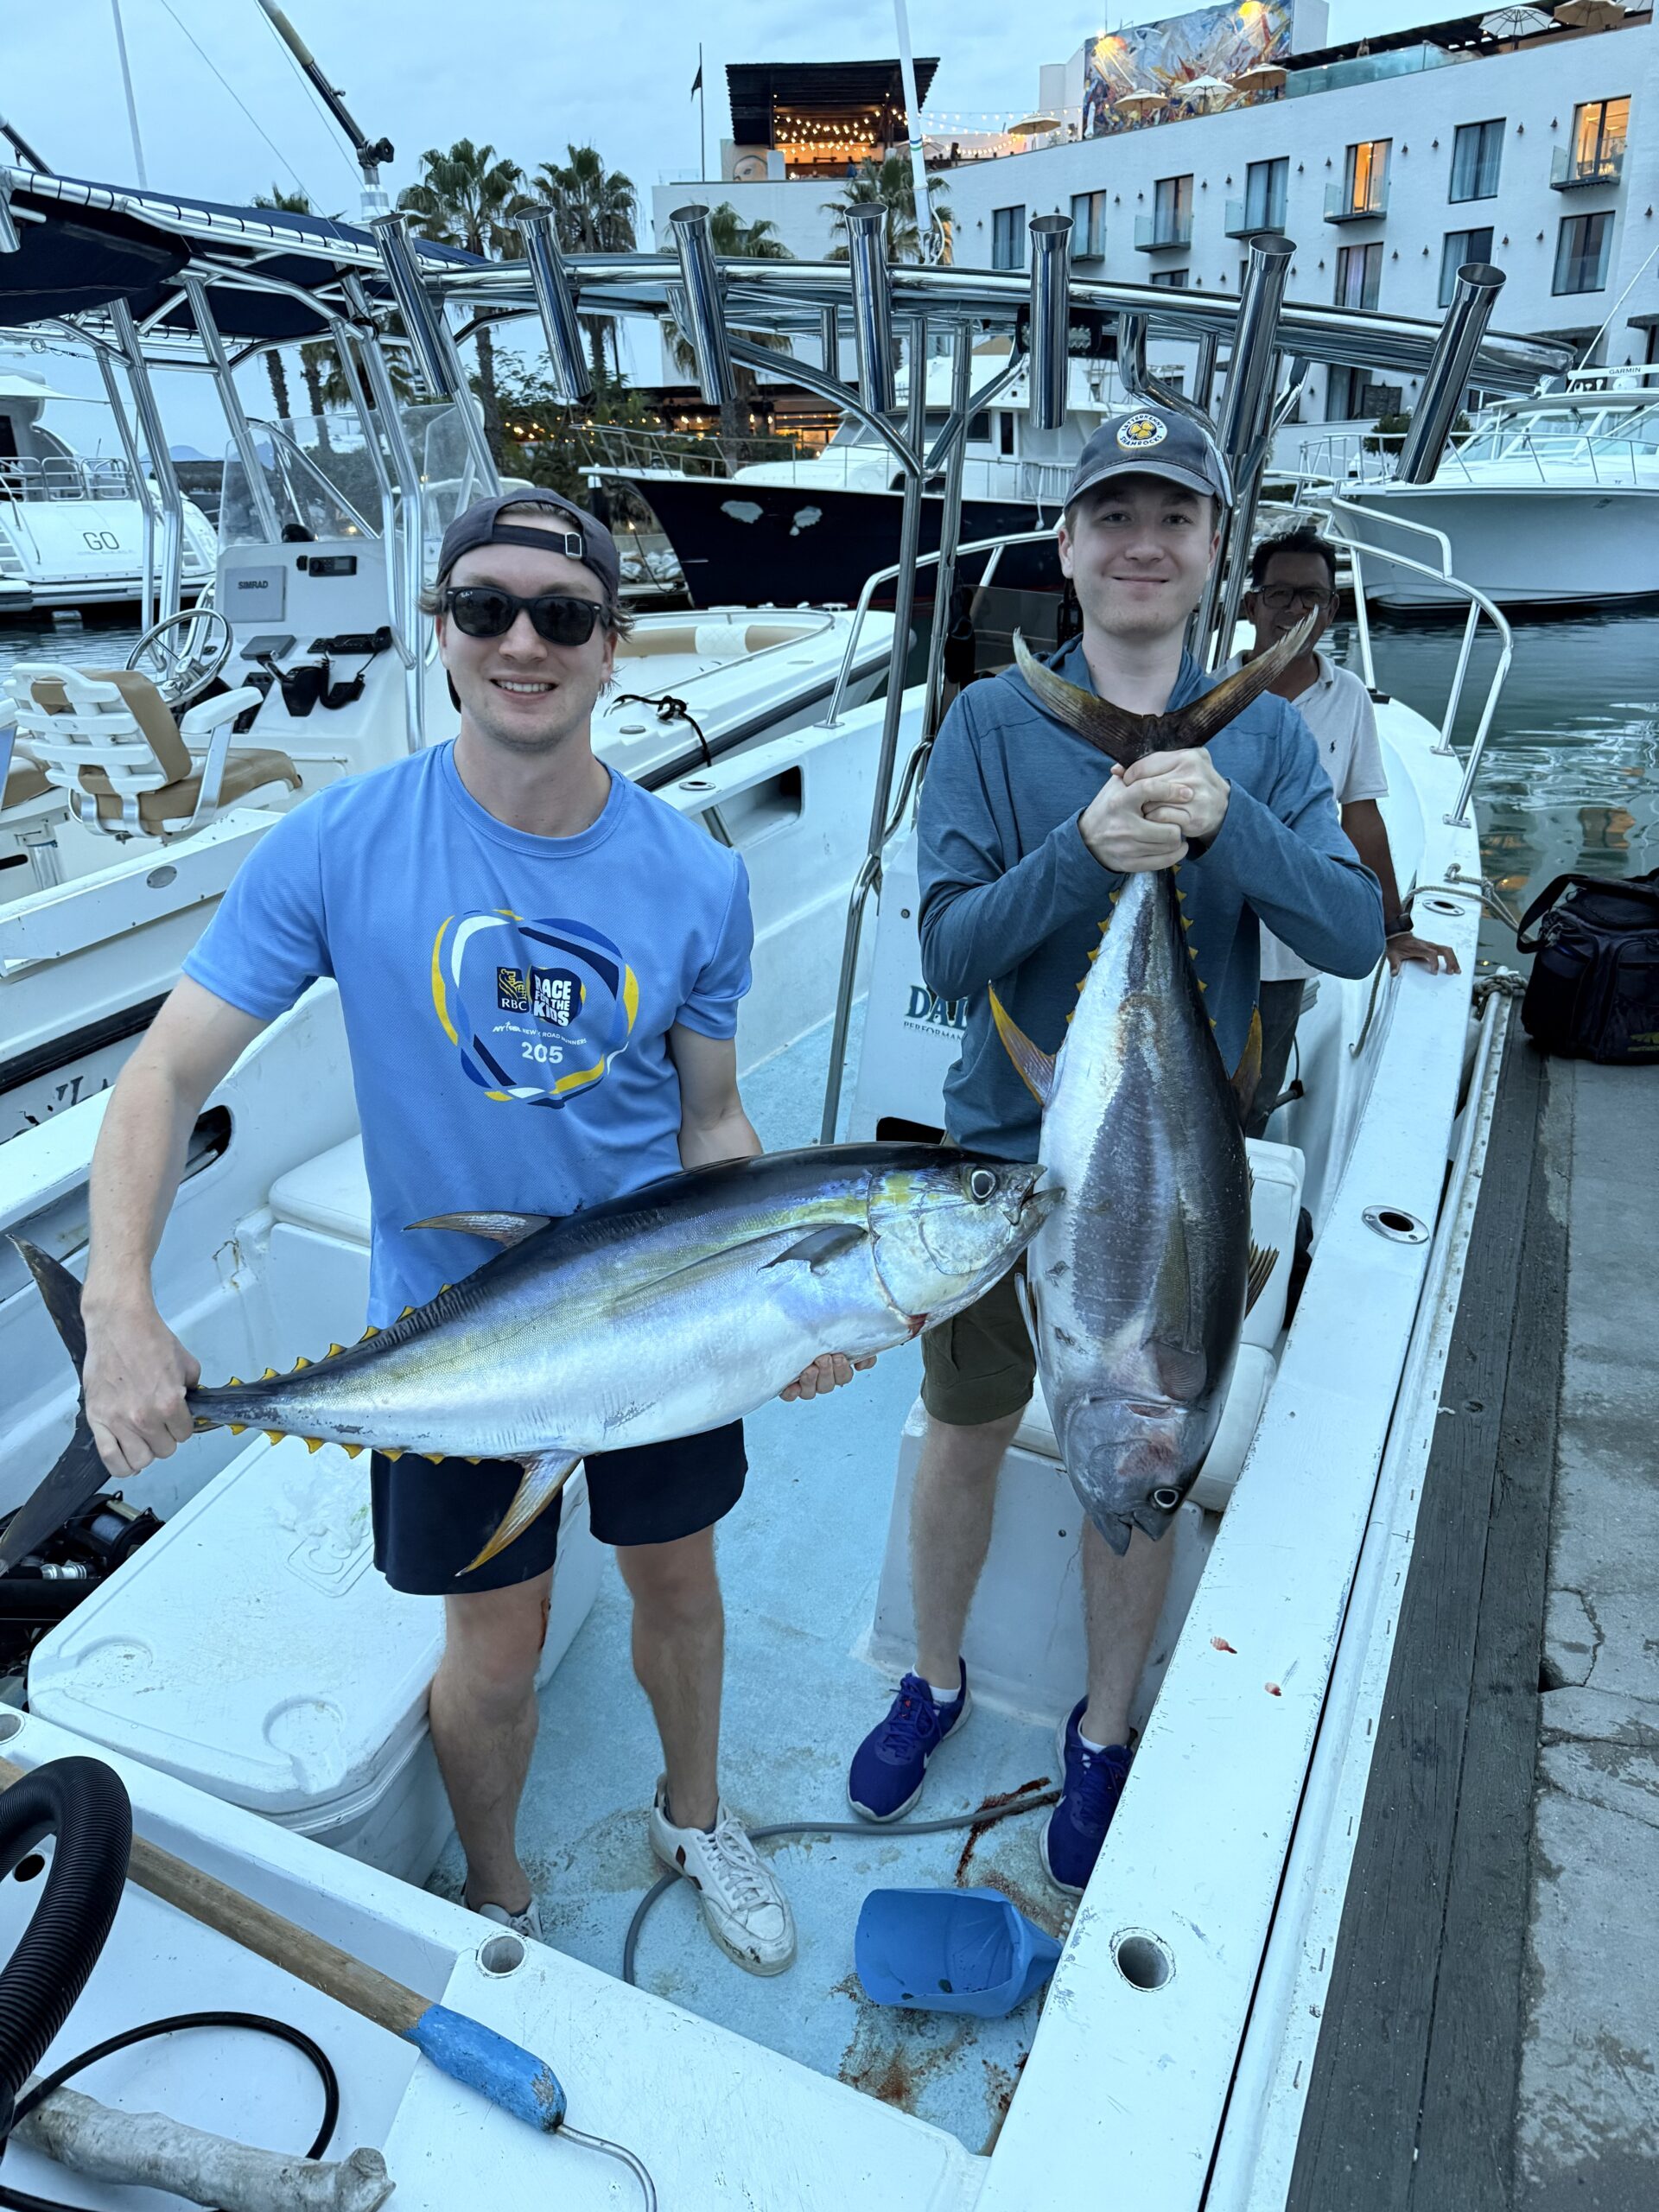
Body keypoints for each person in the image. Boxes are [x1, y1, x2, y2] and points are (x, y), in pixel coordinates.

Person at [78, 490, 869, 1974]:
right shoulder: (341, 844)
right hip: (457, 1333)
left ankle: (694, 1815)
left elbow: (711, 1124)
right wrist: (119, 1302)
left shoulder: (695, 876)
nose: (523, 641)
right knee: (490, 1652)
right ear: (441, 632)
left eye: (563, 615)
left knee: (680, 1590)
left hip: (665, 1307)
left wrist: (791, 1294)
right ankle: (500, 1895)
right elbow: (165, 1072)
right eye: (487, 608)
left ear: (612, 647)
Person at [846, 410, 1384, 1892]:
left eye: (1176, 518)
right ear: (1069, 549)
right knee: (964, 1423)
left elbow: (1345, 937)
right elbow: (952, 954)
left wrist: (1231, 831)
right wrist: (1085, 849)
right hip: (995, 1164)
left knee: (1141, 1434)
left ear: (1214, 551)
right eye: (1112, 516)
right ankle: (935, 1675)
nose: (1144, 542)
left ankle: (1102, 1725)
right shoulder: (986, 724)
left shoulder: (1265, 733)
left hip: (1174, 1182)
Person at [1230, 526, 1459, 1138]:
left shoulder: (1349, 696)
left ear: (1332, 609)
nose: (1294, 611)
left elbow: (1359, 817)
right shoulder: (1206, 694)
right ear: (1251, 604)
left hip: (1286, 946)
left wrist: (1393, 929)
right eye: (1278, 595)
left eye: (1311, 597)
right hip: (1205, 931)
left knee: (1251, 1095)